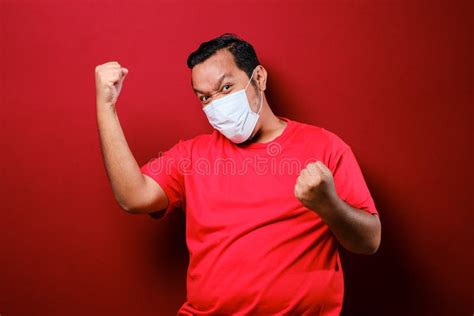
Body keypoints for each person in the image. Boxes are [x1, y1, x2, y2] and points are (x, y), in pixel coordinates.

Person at [95, 33, 381, 315]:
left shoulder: (325, 147)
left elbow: (369, 241)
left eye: (226, 87)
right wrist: (106, 106)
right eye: (205, 97)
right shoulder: (192, 156)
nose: (216, 104)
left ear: (259, 78)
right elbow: (133, 197)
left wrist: (328, 203)